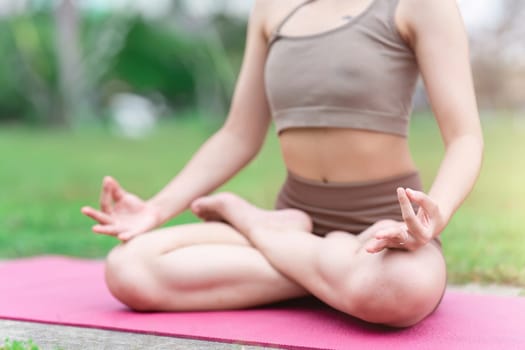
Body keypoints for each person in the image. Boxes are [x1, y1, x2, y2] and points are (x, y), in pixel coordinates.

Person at [82, 0, 483, 327]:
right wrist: (156, 208)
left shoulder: (422, 5)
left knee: (403, 291)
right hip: (298, 212)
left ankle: (261, 229)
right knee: (129, 269)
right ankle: (330, 274)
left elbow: (465, 137)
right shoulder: (272, 7)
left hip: (383, 226)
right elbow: (238, 134)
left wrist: (435, 216)